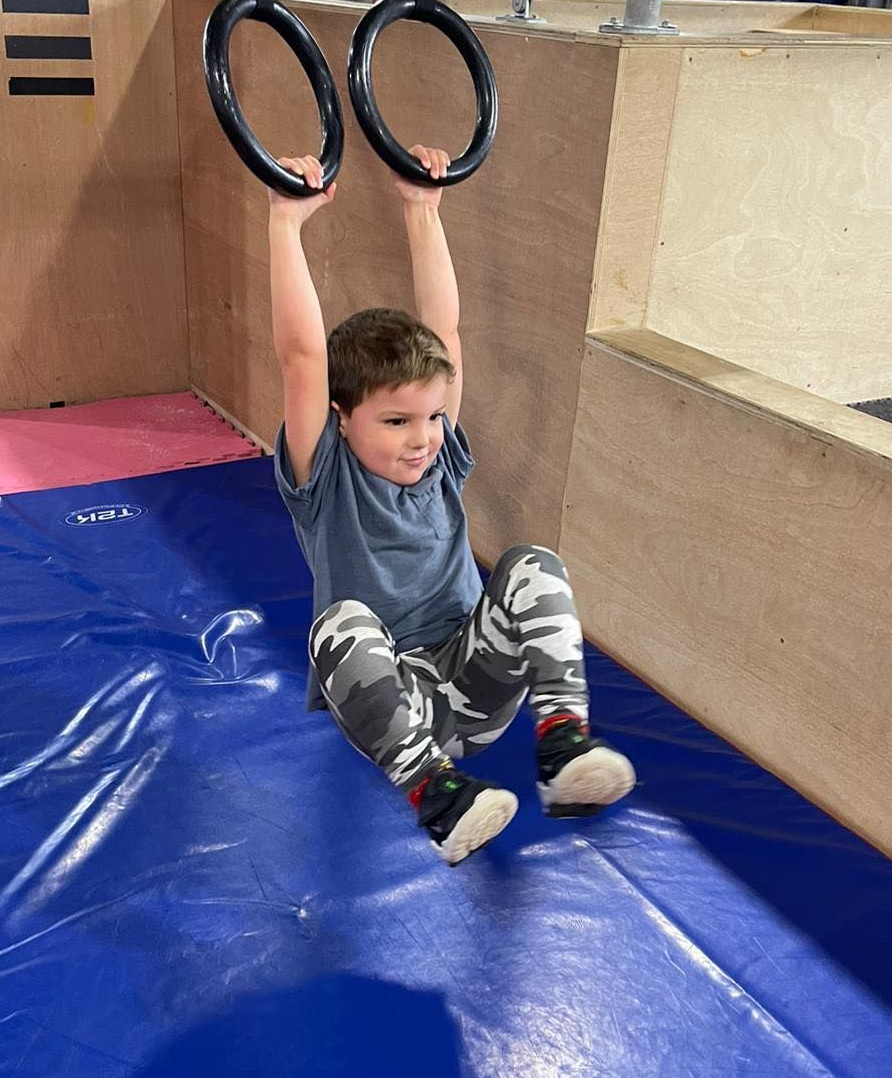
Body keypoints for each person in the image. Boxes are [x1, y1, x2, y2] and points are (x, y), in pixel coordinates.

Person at [269, 145, 635, 865]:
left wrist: (422, 208)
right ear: (343, 419)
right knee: (337, 626)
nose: (423, 439)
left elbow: (446, 333)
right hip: (392, 703)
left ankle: (563, 743)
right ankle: (439, 794)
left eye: (431, 418)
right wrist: (285, 225)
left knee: (533, 563)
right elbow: (303, 356)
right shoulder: (327, 476)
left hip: (474, 684)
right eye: (396, 422)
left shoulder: (441, 459)